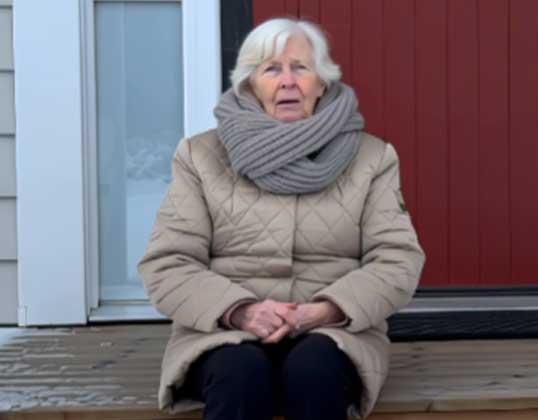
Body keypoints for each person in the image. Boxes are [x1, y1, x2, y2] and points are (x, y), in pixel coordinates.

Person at [138, 17, 425, 420]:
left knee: (314, 371)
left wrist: (327, 310)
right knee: (240, 374)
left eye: (300, 68)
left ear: (322, 83)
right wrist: (241, 311)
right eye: (272, 69)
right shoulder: (199, 156)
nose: (288, 81)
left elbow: (397, 259)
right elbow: (167, 263)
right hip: (223, 332)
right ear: (250, 85)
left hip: (333, 332)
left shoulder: (372, 157)